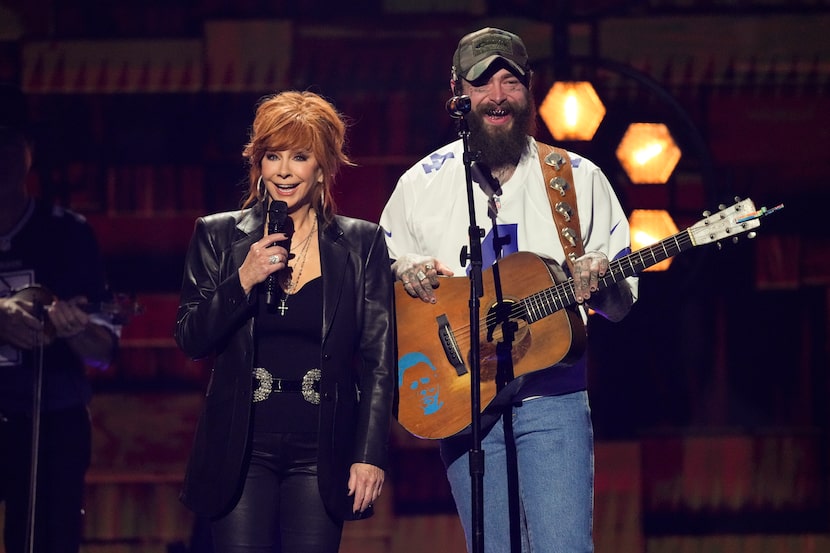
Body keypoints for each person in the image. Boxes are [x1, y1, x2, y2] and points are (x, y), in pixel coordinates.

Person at [380, 28, 638, 552]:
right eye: (481, 84)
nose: (497, 96)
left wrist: (599, 279)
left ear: (529, 90)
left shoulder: (577, 179)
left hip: (554, 398)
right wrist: (399, 269)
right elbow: (374, 284)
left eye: (509, 82)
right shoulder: (420, 185)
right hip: (463, 400)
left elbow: (621, 302)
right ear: (457, 93)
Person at [175, 90, 395, 553]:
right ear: (258, 163)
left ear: (323, 166)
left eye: (299, 156)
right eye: (272, 156)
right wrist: (243, 279)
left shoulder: (363, 243)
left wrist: (369, 455)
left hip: (321, 451)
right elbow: (191, 338)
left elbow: (379, 360)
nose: (283, 171)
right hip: (242, 447)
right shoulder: (217, 235)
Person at [0, 94, 119, 552]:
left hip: (48, 422)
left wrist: (74, 329)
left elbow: (103, 350)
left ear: (29, 151)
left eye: (11, 142)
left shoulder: (68, 233)